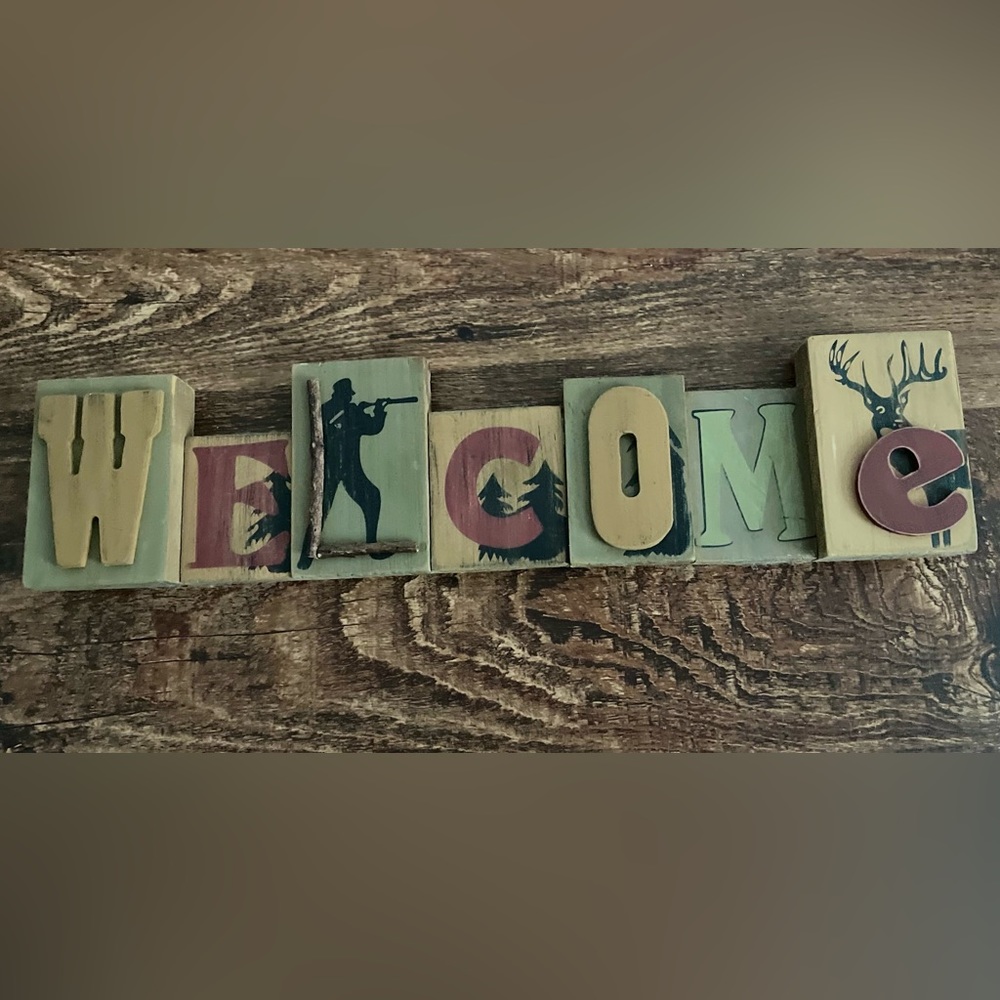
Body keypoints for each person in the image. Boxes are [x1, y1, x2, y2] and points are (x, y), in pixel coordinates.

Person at [321, 378, 386, 546]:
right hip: (333, 468)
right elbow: (373, 426)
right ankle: (307, 553)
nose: (351, 397)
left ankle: (371, 545)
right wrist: (374, 412)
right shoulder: (341, 411)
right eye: (348, 394)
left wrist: (377, 410)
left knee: (371, 496)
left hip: (344, 468)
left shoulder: (333, 410)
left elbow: (371, 427)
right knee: (320, 508)